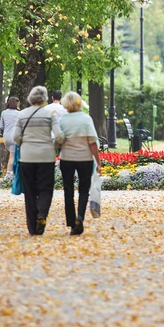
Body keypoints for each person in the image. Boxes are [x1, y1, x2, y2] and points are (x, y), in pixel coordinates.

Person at [13, 85, 64, 235]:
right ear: (44, 99)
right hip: (46, 157)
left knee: (29, 192)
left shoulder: (22, 115)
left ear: (30, 98)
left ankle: (32, 228)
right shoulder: (50, 115)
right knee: (46, 189)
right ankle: (42, 214)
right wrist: (51, 144)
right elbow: (59, 136)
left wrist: (26, 143)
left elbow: (15, 137)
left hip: (27, 157)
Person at [57, 91, 101, 236]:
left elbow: (58, 140)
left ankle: (71, 221)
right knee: (83, 190)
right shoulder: (86, 119)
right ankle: (80, 217)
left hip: (67, 159)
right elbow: (92, 143)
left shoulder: (62, 120)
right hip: (85, 159)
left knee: (68, 191)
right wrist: (99, 162)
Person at [1, 96, 21, 174]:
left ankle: (13, 172)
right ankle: (8, 174)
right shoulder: (19, 113)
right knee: (12, 156)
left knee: (12, 154)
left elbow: (1, 126)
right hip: (14, 137)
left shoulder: (4, 112)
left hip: (6, 137)